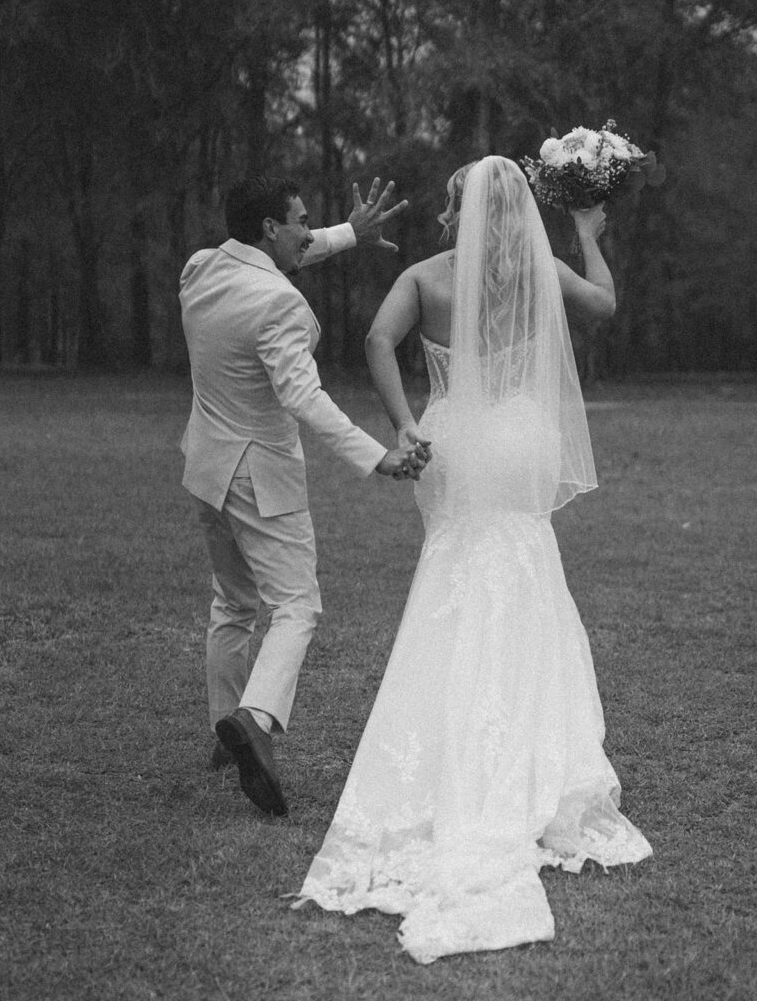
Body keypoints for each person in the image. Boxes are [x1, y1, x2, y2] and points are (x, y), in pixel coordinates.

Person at [294, 157, 651, 962]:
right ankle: (534, 745)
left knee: (454, 571)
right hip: (522, 437)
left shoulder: (425, 276)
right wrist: (587, 236)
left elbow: (376, 340)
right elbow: (606, 305)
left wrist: (405, 424)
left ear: (461, 210)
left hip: (455, 438)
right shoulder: (543, 271)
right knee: (525, 564)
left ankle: (449, 725)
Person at [179, 174, 429, 820]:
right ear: (270, 227)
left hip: (205, 465)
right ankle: (255, 722)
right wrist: (377, 456)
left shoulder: (201, 269)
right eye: (302, 218)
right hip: (260, 474)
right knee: (298, 605)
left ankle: (223, 731)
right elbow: (303, 398)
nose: (310, 229)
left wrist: (351, 232)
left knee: (233, 602)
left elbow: (287, 252)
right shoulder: (280, 303)